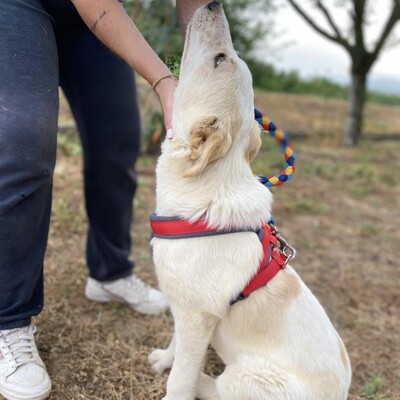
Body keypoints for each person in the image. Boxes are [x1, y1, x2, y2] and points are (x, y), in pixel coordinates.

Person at [0, 0, 209, 399]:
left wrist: (200, 73)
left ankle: (109, 274)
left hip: (89, 15)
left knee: (118, 139)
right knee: (24, 144)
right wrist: (165, 81)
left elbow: (196, 13)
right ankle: (7, 320)